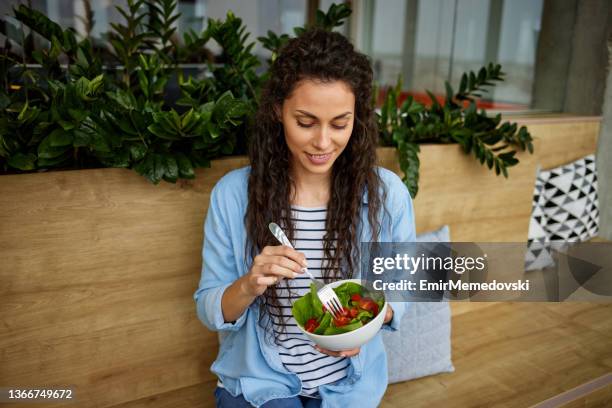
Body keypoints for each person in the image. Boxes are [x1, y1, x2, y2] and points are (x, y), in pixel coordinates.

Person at [194, 27, 415, 408]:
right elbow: (209, 308)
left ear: (357, 118)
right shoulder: (232, 195)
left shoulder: (387, 194)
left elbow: (402, 293)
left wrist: (368, 320)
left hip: (350, 387)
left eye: (340, 123)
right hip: (260, 384)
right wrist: (250, 284)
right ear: (279, 111)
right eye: (306, 122)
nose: (323, 142)